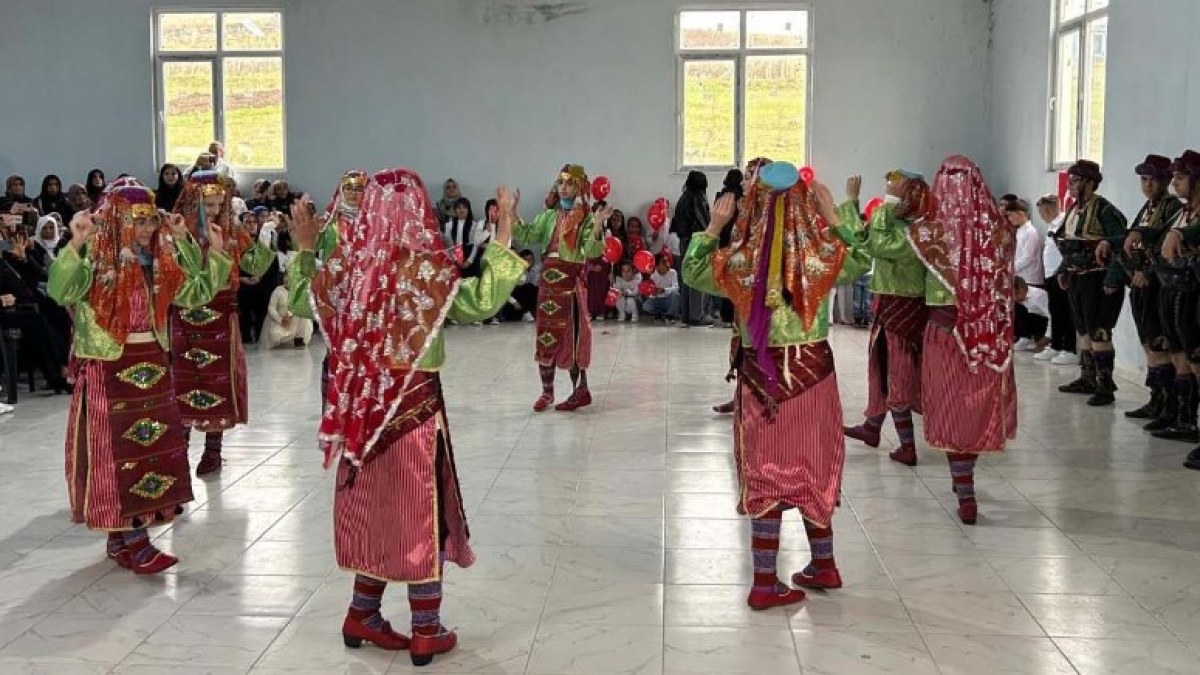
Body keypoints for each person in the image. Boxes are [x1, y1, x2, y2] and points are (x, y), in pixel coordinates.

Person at [285, 168, 528, 664]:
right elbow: (482, 301)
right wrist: (504, 236)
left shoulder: (348, 269)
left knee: (377, 511)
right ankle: (426, 627)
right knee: (423, 513)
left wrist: (307, 248)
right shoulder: (426, 276)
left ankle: (363, 612)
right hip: (414, 414)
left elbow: (299, 300)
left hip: (362, 418)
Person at [687, 161, 870, 608]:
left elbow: (693, 272)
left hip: (761, 383)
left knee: (767, 472)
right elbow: (863, 259)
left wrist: (713, 227)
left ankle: (765, 583)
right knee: (813, 468)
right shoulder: (821, 256)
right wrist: (835, 215)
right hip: (815, 378)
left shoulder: (737, 262)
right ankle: (823, 565)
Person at [47, 183, 230, 574]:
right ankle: (137, 540)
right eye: (138, 220)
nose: (146, 228)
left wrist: (207, 251)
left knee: (150, 452)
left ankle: (122, 538)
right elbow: (61, 290)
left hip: (153, 361)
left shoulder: (160, 259)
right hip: (108, 366)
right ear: (117, 219)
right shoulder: (96, 257)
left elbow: (194, 294)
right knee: (115, 455)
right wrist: (76, 245)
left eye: (150, 219)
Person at [906, 155, 1018, 524]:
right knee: (973, 408)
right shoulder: (998, 229)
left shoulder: (926, 231)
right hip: (984, 335)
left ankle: (964, 488)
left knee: (952, 409)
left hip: (943, 331)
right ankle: (965, 485)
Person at [170, 171, 275, 476]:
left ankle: (212, 452)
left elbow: (253, 265)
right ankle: (179, 450)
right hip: (186, 314)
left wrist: (264, 236)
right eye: (209, 204)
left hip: (223, 316)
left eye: (220, 203)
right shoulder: (178, 233)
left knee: (220, 381)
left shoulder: (231, 230)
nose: (216, 210)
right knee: (184, 382)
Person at [840, 169, 933, 466]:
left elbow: (874, 243)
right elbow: (866, 237)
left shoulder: (917, 231)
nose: (888, 194)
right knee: (880, 365)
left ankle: (907, 445)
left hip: (903, 309)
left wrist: (880, 202)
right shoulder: (902, 227)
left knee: (897, 373)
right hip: (890, 304)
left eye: (894, 190)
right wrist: (853, 205)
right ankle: (873, 426)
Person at [514, 164, 610, 412]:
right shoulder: (547, 216)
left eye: (570, 183)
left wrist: (598, 227)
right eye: (561, 182)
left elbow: (592, 251)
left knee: (573, 336)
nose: (564, 187)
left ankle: (581, 390)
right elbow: (526, 235)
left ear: (579, 187)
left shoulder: (586, 218)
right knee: (546, 334)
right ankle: (547, 393)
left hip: (571, 283)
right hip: (548, 283)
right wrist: (511, 213)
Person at [1052, 160, 1128, 407]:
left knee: (1099, 331)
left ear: (1090, 183)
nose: (1071, 186)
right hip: (1077, 278)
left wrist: (1113, 277)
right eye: (1071, 180)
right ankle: (1087, 378)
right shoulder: (1074, 210)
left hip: (1098, 279)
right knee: (1082, 330)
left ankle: (1105, 386)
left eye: (1076, 181)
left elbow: (1121, 241)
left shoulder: (1105, 210)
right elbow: (1068, 242)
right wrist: (1064, 270)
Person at [1117, 155, 1184, 422]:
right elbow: (1133, 238)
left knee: (1160, 343)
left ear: (1165, 181)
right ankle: (1156, 400)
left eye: (1151, 179)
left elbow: (1157, 246)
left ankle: (1169, 404)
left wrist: (1145, 270)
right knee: (1148, 343)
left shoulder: (1171, 207)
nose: (1146, 185)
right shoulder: (1148, 207)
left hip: (1158, 283)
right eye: (1143, 180)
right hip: (1140, 282)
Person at [1155, 150, 1200, 452]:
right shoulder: (1182, 211)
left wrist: (1179, 234)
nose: (1174, 183)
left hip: (1194, 291)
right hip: (1178, 288)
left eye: (1181, 177)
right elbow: (1160, 233)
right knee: (1183, 354)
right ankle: (1185, 419)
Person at [1034, 195, 1078, 364]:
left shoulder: (1062, 223)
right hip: (1051, 275)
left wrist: (1063, 272)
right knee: (1056, 312)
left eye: (1041, 212)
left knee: (1066, 313)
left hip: (1061, 276)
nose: (1041, 216)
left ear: (1048, 209)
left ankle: (1069, 349)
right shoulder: (1052, 225)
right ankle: (1056, 346)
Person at [672, 171, 712, 325]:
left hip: (683, 241)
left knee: (687, 278)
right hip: (696, 241)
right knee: (697, 277)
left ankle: (687, 315)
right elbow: (704, 222)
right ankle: (697, 315)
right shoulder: (698, 198)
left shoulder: (683, 197)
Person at [236, 210, 276, 344]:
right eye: (248, 222)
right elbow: (231, 264)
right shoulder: (236, 243)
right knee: (244, 314)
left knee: (262, 312)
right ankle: (245, 337)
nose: (252, 225)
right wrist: (242, 278)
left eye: (254, 222)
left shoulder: (264, 241)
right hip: (242, 285)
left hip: (262, 284)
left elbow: (271, 263)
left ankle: (260, 336)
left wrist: (260, 276)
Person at [585, 205, 617, 321]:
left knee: (602, 291)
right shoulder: (586, 230)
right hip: (590, 267)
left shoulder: (606, 232)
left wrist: (603, 264)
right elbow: (584, 251)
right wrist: (591, 266)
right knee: (590, 291)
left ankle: (601, 311)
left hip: (603, 266)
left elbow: (609, 250)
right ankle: (589, 311)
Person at [264, 275, 312, 348]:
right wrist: (280, 319)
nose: (286, 280)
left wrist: (289, 315)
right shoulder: (278, 290)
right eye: (285, 277)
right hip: (280, 319)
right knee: (276, 334)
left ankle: (298, 339)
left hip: (293, 319)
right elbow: (271, 307)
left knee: (302, 315)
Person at [1006, 198, 1044, 286]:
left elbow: (1028, 258)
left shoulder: (1030, 232)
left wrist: (1011, 268)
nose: (1009, 219)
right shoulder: (1020, 230)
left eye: (1011, 215)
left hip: (1030, 279)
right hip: (1020, 277)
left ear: (1021, 213)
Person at [441, 198, 477, 277]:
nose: (461, 210)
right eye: (459, 208)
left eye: (464, 207)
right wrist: (455, 259)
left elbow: (475, 245)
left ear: (468, 209)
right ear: (455, 210)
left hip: (469, 255)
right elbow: (448, 244)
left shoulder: (474, 225)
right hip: (454, 254)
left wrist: (469, 261)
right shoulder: (449, 224)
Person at [500, 250, 539, 322]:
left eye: (530, 259)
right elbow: (504, 290)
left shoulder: (536, 269)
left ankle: (527, 313)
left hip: (524, 301)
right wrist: (514, 302)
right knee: (528, 287)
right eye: (525, 260)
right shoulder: (512, 270)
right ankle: (525, 313)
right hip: (513, 301)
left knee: (533, 288)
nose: (528, 262)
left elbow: (535, 286)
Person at [1013, 277, 1050, 349]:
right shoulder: (1020, 297)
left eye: (1017, 293)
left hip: (1051, 321)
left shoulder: (1038, 296)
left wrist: (1047, 336)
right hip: (1037, 319)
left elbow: (1052, 316)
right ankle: (1025, 338)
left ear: (1022, 288)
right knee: (1016, 308)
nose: (1016, 297)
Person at [644, 253, 680, 321]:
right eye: (664, 262)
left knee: (676, 296)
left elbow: (676, 287)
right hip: (657, 300)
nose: (667, 263)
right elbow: (651, 294)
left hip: (669, 299)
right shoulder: (653, 276)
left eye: (667, 261)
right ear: (657, 266)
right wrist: (653, 293)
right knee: (646, 306)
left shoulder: (673, 272)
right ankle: (661, 314)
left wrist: (664, 290)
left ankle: (669, 316)